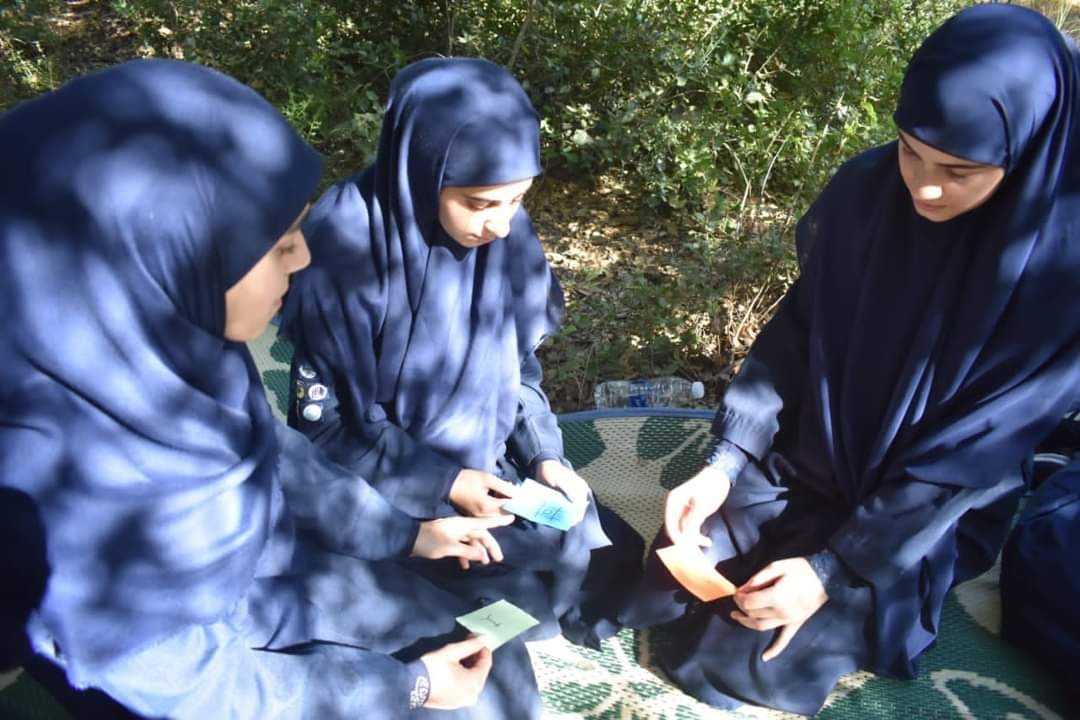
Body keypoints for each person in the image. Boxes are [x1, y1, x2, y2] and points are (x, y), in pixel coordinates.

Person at [0, 58, 543, 719]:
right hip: (193, 683)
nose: (304, 257)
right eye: (280, 243)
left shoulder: (171, 343)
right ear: (174, 252)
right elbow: (195, 692)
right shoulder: (53, 487)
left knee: (493, 660)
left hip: (259, 587)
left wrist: (404, 533)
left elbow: (276, 452)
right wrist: (404, 687)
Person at [619, 5, 1080, 715]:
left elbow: (973, 457)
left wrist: (833, 571)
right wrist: (725, 463)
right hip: (814, 456)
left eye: (959, 170)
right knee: (674, 575)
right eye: (910, 150)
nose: (924, 187)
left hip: (925, 507)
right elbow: (796, 336)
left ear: (1026, 152)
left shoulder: (1058, 269)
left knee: (751, 660)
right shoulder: (868, 192)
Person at [281, 57, 643, 647]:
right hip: (389, 488)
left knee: (603, 555)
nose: (499, 226)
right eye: (479, 203)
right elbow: (326, 430)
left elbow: (517, 371)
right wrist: (446, 483)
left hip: (492, 474)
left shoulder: (506, 236)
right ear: (421, 172)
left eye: (516, 200)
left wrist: (544, 456)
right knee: (492, 623)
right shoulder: (345, 245)